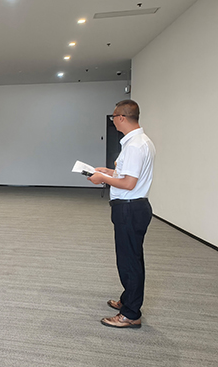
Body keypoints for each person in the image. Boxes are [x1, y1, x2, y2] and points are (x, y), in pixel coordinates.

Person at [88, 99, 155, 329]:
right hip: (133, 207)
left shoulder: (135, 145)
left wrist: (102, 179)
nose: (113, 120)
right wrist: (108, 172)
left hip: (129, 208)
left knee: (129, 262)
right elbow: (127, 175)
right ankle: (128, 301)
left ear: (122, 118)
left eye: (114, 117)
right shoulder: (140, 142)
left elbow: (128, 184)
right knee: (131, 258)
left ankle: (130, 314)